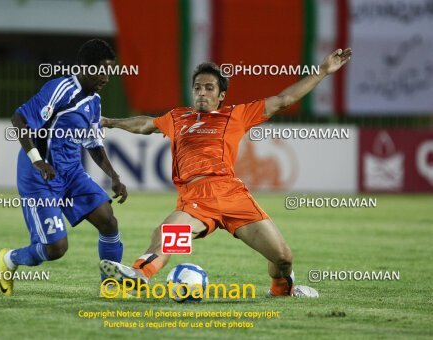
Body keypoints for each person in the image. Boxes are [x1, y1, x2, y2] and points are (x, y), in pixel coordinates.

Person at [99, 48, 352, 298]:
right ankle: (138, 274)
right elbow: (145, 124)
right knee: (168, 235)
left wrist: (322, 72)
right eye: (197, 87)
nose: (202, 92)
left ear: (221, 95)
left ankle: (281, 290)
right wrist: (110, 122)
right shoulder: (178, 118)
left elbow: (284, 99)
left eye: (209, 88)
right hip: (196, 199)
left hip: (233, 196)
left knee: (284, 259)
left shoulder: (236, 115)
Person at [0, 39, 128, 296]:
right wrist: (37, 160)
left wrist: (114, 176)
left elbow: (93, 143)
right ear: (85, 67)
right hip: (40, 176)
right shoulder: (60, 88)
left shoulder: (94, 101)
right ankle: (9, 259)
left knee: (108, 220)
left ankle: (109, 285)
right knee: (56, 249)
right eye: (101, 69)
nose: (106, 76)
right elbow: (19, 119)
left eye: (110, 70)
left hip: (71, 174)